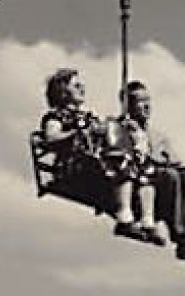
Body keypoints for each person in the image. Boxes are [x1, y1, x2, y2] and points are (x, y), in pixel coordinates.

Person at [38, 68, 163, 244]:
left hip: (99, 161)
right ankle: (124, 216)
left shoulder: (88, 116)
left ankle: (147, 222)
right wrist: (79, 132)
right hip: (76, 165)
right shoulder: (56, 116)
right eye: (76, 85)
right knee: (120, 160)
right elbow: (51, 138)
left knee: (144, 166)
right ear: (63, 92)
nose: (82, 88)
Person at [112, 80, 185, 262]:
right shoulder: (119, 128)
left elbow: (174, 160)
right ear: (128, 105)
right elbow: (119, 153)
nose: (146, 106)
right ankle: (180, 232)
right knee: (171, 176)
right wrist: (129, 136)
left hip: (162, 170)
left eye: (148, 100)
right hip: (143, 175)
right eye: (139, 101)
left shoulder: (158, 137)